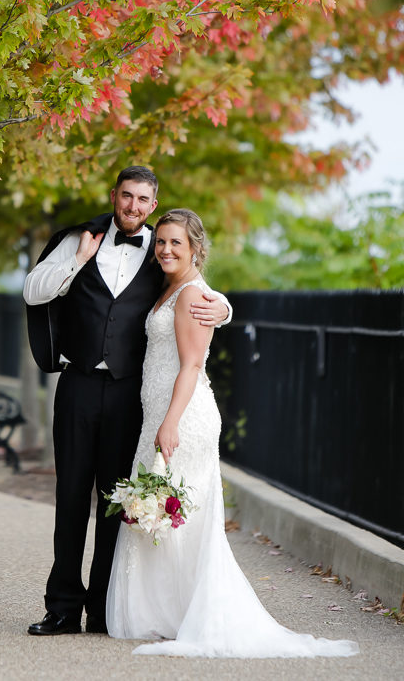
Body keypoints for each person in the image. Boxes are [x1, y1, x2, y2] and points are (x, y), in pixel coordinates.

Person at [106, 208, 359, 659]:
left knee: (176, 516)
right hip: (159, 416)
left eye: (175, 243)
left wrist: (169, 423)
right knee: (162, 515)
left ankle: (181, 615)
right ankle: (169, 613)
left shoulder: (191, 296)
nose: (164, 249)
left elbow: (191, 365)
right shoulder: (172, 290)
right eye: (160, 242)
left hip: (181, 418)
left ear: (196, 248)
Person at [23, 167, 232, 636]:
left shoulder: (162, 250)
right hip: (77, 384)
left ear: (152, 205)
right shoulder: (80, 238)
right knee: (70, 498)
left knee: (116, 502)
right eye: (126, 196)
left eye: (143, 200)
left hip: (128, 395)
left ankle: (103, 608)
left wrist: (223, 307)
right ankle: (61, 609)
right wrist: (78, 259)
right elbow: (32, 291)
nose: (133, 206)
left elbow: (191, 286)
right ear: (114, 195)